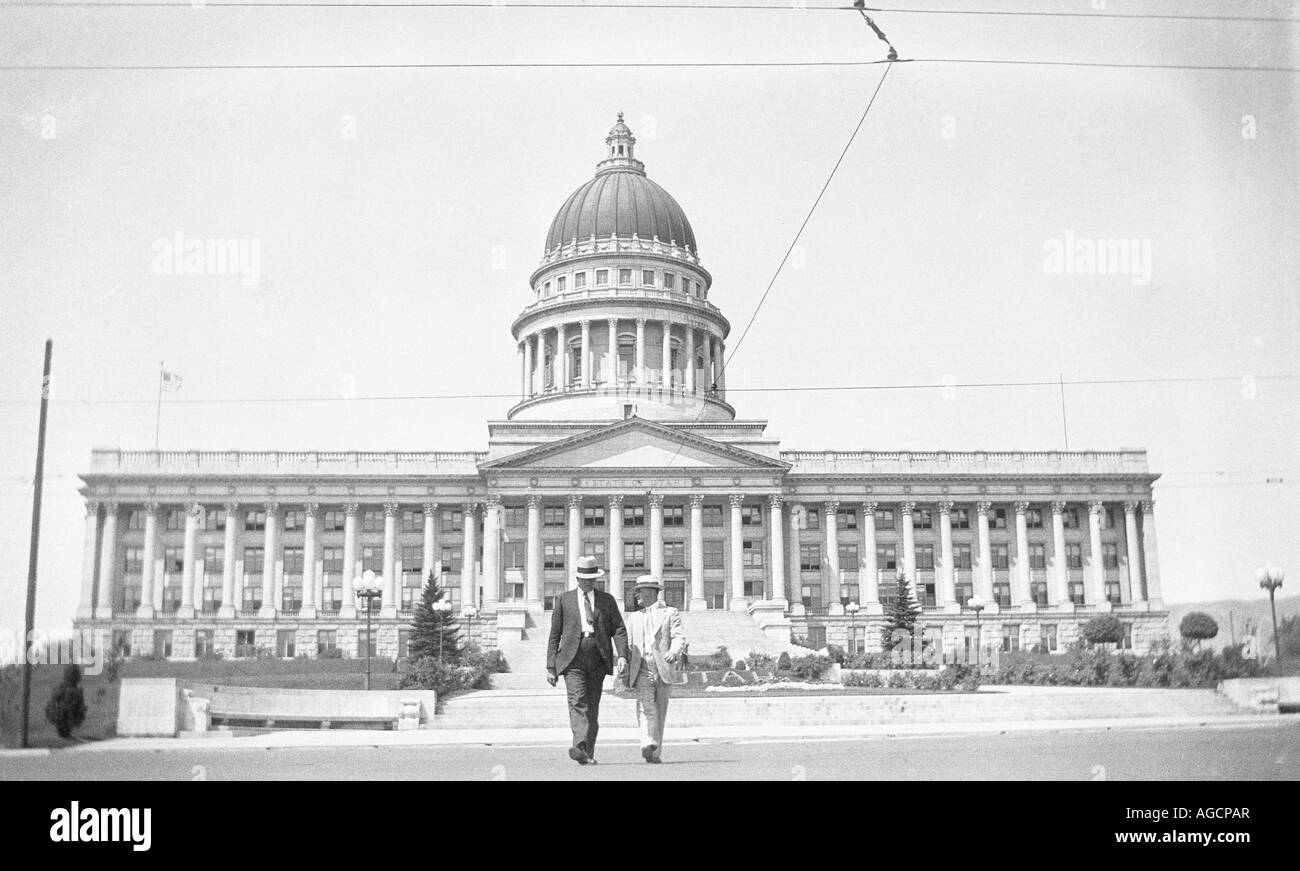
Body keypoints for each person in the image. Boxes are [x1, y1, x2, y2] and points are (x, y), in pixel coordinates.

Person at [546, 554, 627, 765]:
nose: (590, 582)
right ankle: (579, 745)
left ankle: (587, 753)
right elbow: (554, 634)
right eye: (585, 578)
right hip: (572, 659)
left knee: (592, 706)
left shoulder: (606, 600)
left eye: (593, 579)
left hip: (598, 657)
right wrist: (551, 666)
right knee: (577, 700)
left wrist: (623, 656)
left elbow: (618, 628)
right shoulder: (564, 600)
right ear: (577, 579)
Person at [623, 574, 686, 764]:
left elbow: (678, 636)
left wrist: (674, 651)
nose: (636, 596)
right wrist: (622, 661)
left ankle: (655, 751)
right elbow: (629, 644)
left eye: (639, 592)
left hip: (663, 668)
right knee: (645, 707)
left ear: (651, 592)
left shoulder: (670, 613)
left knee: (659, 711)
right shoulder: (633, 617)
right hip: (641, 668)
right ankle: (647, 743)